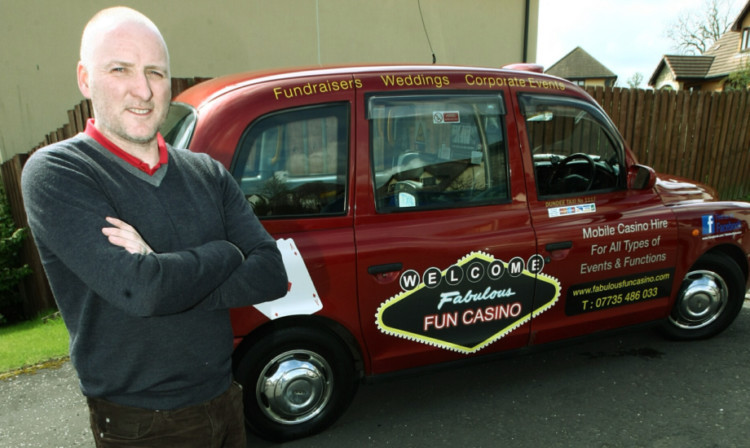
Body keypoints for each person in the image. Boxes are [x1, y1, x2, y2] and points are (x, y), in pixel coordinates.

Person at [21, 7, 288, 447]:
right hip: (141, 426)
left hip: (226, 401)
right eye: (120, 69)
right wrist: (226, 253)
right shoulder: (59, 172)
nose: (143, 90)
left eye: (156, 73)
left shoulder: (207, 173)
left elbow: (272, 273)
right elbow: (141, 291)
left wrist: (166, 273)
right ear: (85, 79)